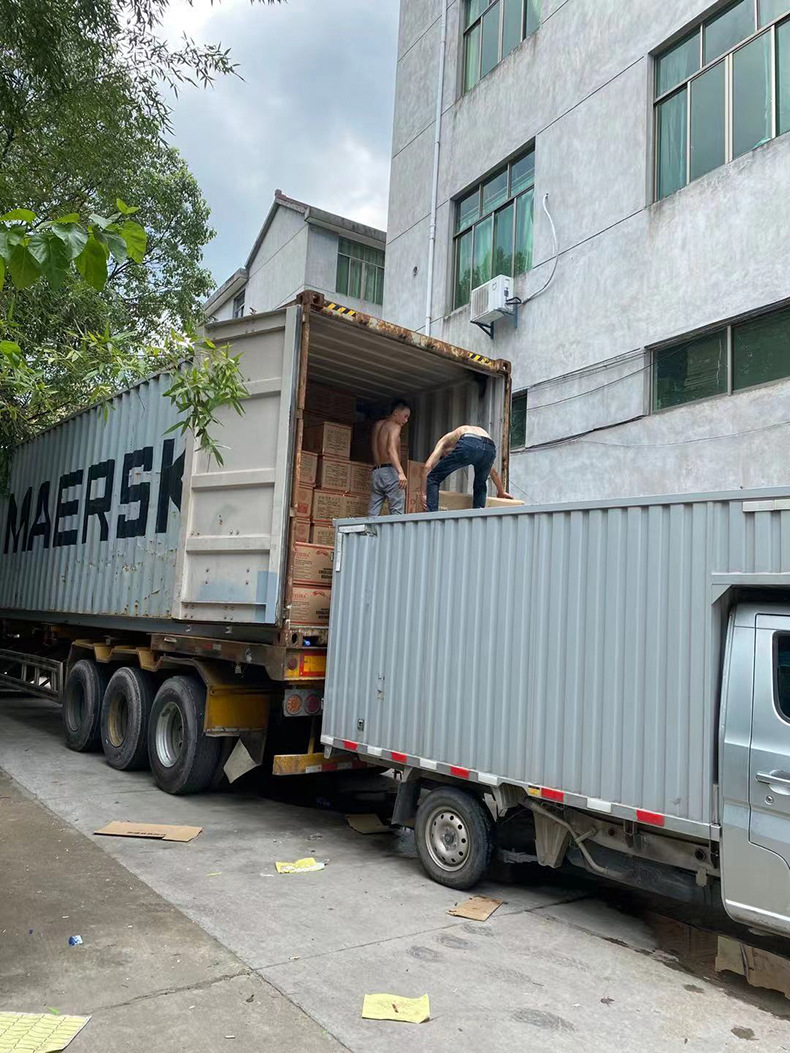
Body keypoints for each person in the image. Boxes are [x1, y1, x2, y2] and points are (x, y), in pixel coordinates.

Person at [421, 425, 513, 512]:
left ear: (443, 453)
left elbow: (427, 467)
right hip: (490, 447)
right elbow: (493, 472)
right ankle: (478, 518)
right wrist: (501, 491)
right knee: (480, 485)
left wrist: (423, 494)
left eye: (445, 456)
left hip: (469, 442)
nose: (448, 456)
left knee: (433, 478)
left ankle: (432, 517)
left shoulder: (444, 441)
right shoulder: (463, 433)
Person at [368, 399, 411, 515]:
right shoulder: (395, 427)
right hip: (390, 472)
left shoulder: (378, 425)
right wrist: (400, 472)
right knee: (397, 512)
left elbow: (374, 448)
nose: (406, 420)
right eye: (405, 416)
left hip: (376, 471)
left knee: (373, 512)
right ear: (396, 412)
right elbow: (391, 449)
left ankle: (369, 527)